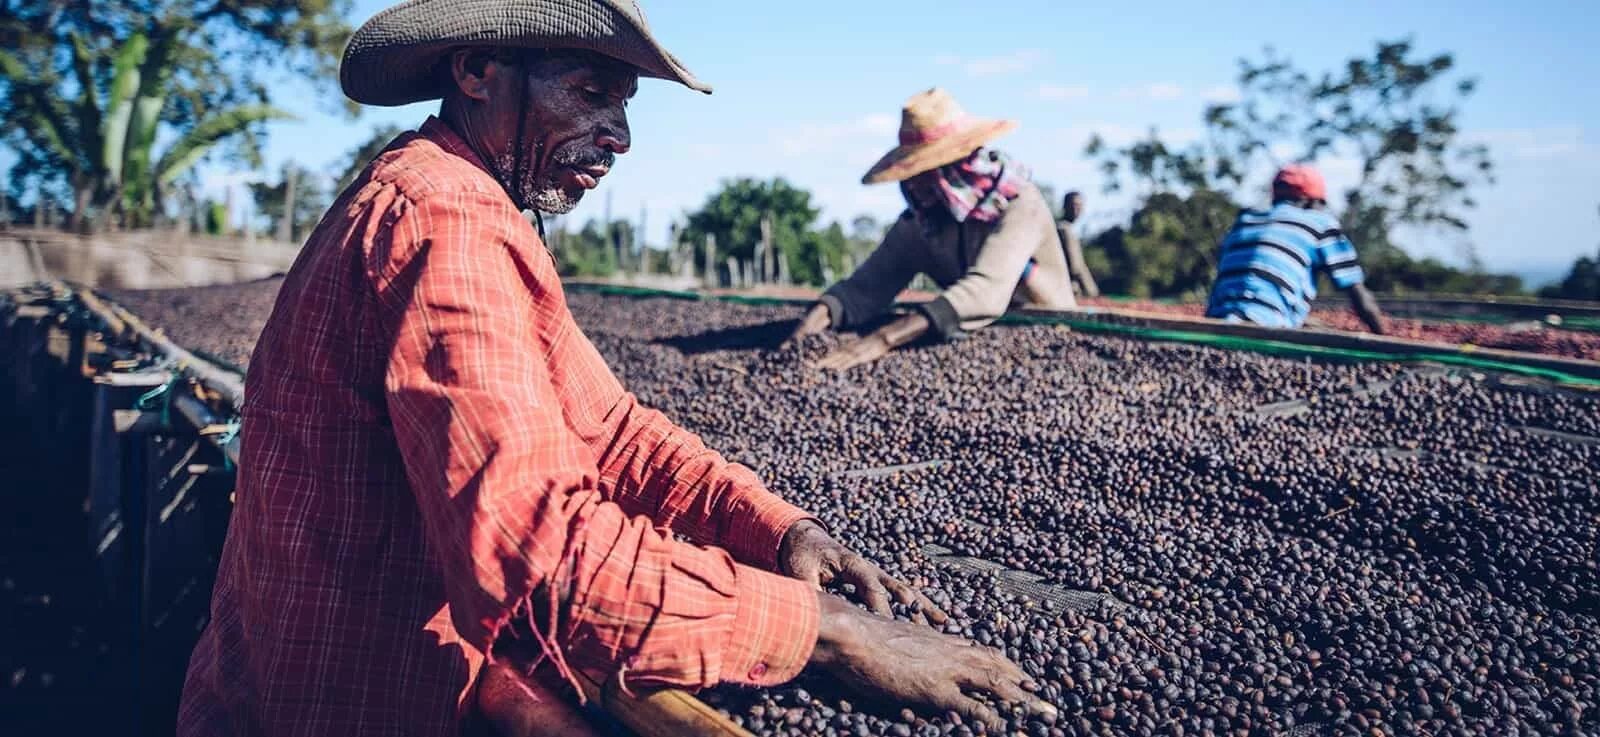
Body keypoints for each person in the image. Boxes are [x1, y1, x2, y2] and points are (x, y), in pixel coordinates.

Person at [175, 2, 1051, 736]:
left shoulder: (472, 203)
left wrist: (780, 532)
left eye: (624, 104)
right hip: (343, 698)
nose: (621, 137)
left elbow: (608, 425)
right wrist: (826, 634)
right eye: (591, 92)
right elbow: (537, 557)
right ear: (479, 72)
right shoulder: (445, 222)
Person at [788, 88, 1077, 370]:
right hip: (972, 342)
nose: (912, 185)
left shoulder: (1019, 205)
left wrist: (883, 339)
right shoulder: (924, 222)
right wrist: (809, 326)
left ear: (955, 168)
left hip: (1049, 338)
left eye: (922, 173)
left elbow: (986, 290)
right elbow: (866, 286)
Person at [1205, 165, 1387, 333]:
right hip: (1269, 326)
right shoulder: (1321, 224)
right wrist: (1384, 340)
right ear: (1311, 202)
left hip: (1216, 322)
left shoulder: (1244, 222)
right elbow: (1358, 295)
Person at [1057, 190, 1101, 298]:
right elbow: (1076, 267)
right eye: (1074, 205)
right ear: (1065, 206)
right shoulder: (1065, 230)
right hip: (1069, 290)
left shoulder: (1064, 228)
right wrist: (1092, 291)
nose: (1077, 209)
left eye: (1080, 206)